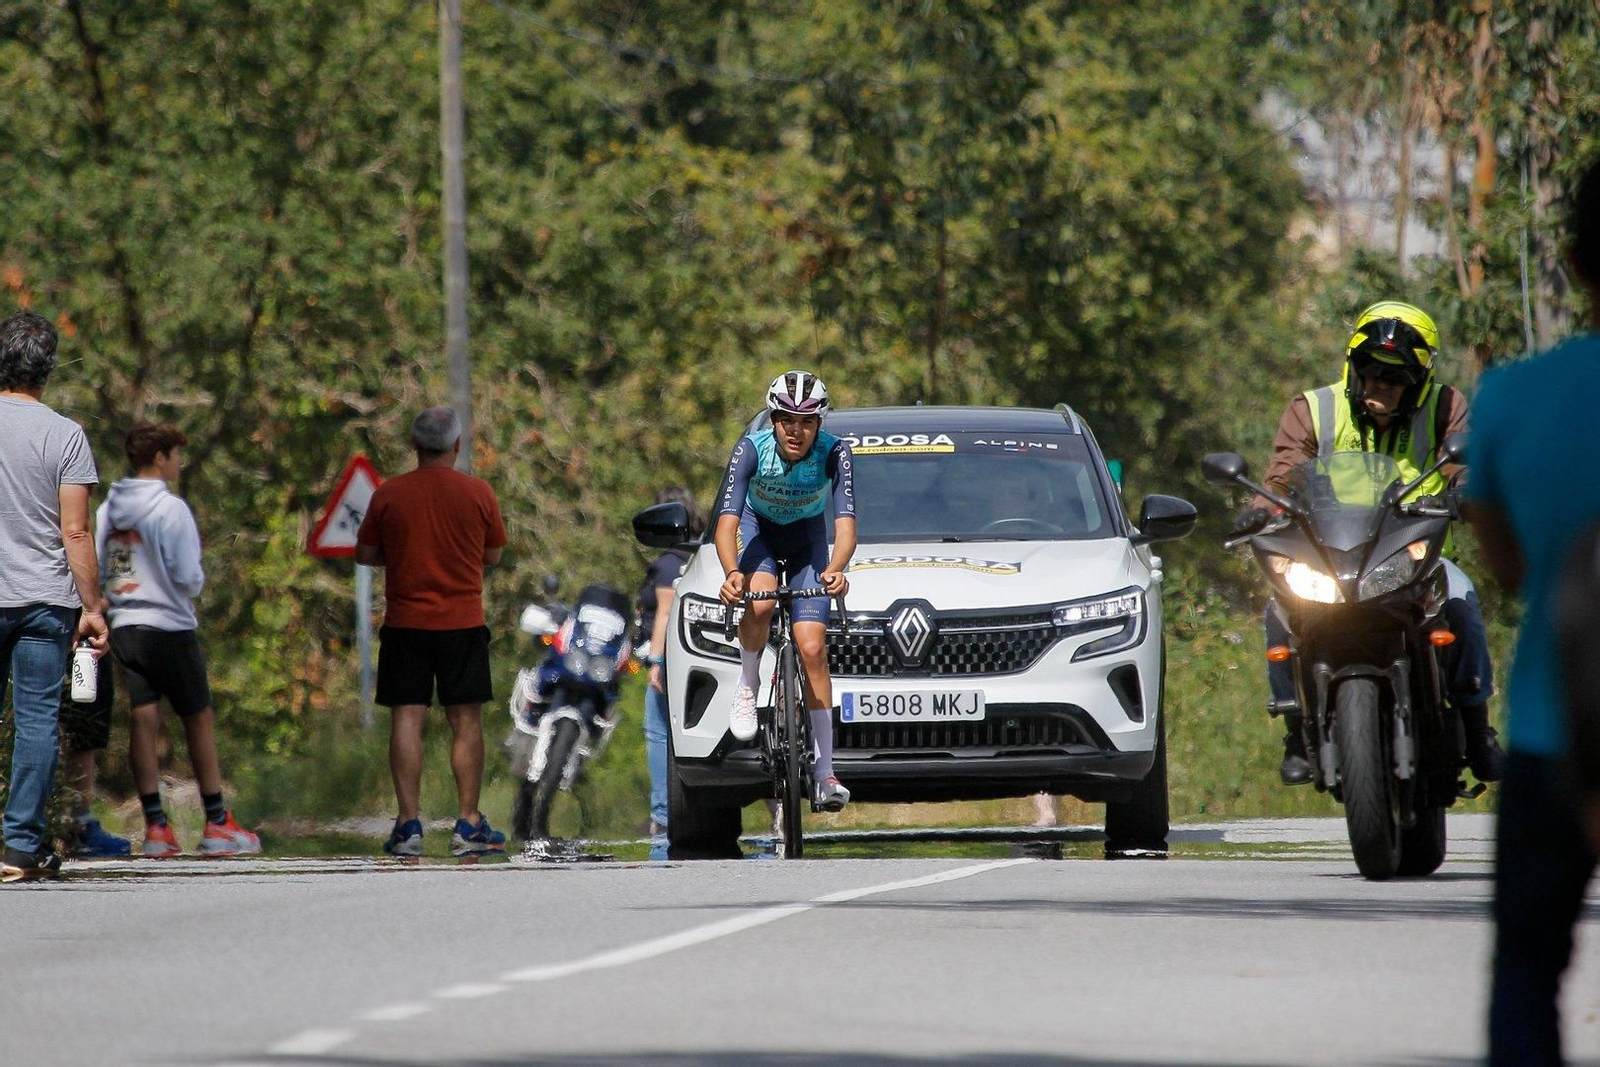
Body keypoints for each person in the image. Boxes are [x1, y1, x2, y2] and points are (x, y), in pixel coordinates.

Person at [1236, 300, 1504, 786]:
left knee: (1462, 604)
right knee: (1278, 610)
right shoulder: (1313, 408)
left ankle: (1477, 728)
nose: (1379, 384)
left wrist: (1466, 492)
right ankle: (1295, 728)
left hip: (1413, 552)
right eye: (1370, 371)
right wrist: (1262, 510)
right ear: (1353, 367)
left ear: (1417, 380)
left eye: (1394, 377)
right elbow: (1281, 476)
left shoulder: (1446, 405)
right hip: (1327, 555)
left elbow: (1461, 465)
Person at [1466, 154, 1600, 1066]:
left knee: (1526, 970)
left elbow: (1508, 568)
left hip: (1554, 735)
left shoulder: (1509, 396)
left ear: (1577, 260)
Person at [98, 423, 260, 858]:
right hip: (168, 625)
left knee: (144, 718)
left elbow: (102, 565)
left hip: (125, 624)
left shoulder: (109, 510)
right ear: (160, 458)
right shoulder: (171, 509)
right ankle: (218, 822)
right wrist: (192, 585)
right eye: (176, 454)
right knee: (197, 717)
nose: (179, 462)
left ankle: (156, 828)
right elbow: (188, 577)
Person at [356, 407, 509, 857]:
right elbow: (494, 555)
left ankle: (408, 825)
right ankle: (469, 822)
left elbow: (365, 552)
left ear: (415, 445)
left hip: (406, 624)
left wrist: (403, 555)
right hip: (462, 623)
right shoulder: (478, 493)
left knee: (407, 717)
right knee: (465, 719)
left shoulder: (389, 494)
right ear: (457, 445)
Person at [714, 370, 856, 811]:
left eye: (807, 422)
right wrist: (732, 572)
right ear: (773, 420)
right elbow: (726, 525)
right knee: (760, 604)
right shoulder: (750, 450)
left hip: (807, 540)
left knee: (812, 647)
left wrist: (835, 570)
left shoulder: (836, 453)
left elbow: (845, 527)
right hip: (760, 531)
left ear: (819, 423)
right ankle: (748, 682)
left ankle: (825, 773)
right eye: (787, 421)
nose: (797, 431)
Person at [0, 310, 108, 882]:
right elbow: (76, 532)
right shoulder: (65, 435)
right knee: (37, 721)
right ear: (48, 370)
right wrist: (92, 608)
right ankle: (19, 848)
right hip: (44, 600)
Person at [636, 486, 706, 837]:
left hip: (672, 658)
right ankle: (776, 808)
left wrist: (655, 660)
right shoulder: (703, 557)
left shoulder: (667, 564)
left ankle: (662, 813)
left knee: (658, 730)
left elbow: (664, 612)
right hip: (705, 656)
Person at [59, 656, 132, 856]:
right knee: (81, 717)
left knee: (86, 720)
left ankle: (78, 820)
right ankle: (77, 825)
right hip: (78, 644)